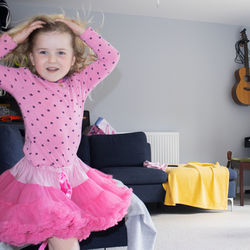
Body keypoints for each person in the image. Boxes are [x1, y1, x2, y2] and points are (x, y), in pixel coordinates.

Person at [0, 14, 132, 250]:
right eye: (43, 52)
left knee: (61, 238)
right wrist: (14, 38)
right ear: (31, 56)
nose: (52, 59)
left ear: (73, 59)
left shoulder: (79, 84)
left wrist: (82, 31)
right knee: (65, 242)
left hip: (71, 173)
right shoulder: (23, 81)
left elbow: (111, 57)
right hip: (39, 180)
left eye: (61, 52)